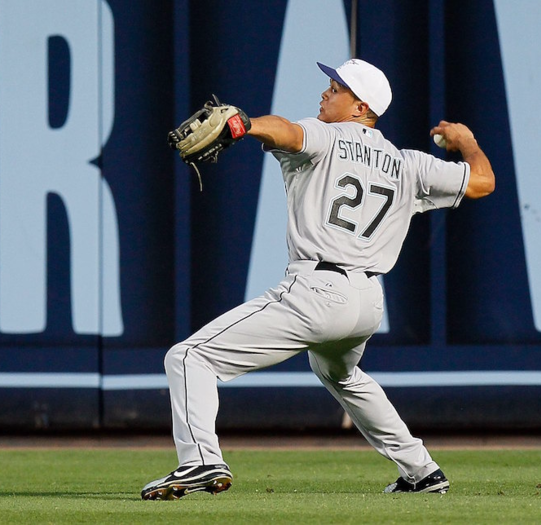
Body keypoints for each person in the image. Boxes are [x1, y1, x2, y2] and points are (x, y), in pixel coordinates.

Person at [141, 58, 495, 500]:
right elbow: (482, 182)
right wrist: (468, 141)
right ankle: (421, 470)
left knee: (189, 357)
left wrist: (244, 124)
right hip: (367, 301)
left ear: (361, 106)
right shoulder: (409, 164)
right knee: (339, 372)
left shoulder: (327, 136)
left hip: (317, 290)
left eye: (336, 88)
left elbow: (286, 130)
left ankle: (199, 461)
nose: (326, 93)